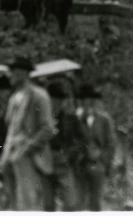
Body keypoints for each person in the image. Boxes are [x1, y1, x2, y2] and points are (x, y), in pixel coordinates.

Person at [1, 55, 56, 210]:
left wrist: (26, 149)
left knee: (28, 201)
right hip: (10, 156)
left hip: (29, 157)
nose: (9, 75)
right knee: (13, 201)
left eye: (12, 71)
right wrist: (7, 153)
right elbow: (11, 127)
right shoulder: (13, 97)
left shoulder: (39, 96)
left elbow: (48, 129)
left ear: (22, 73)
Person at [42, 80, 87, 211]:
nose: (58, 103)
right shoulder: (41, 119)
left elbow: (82, 141)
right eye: (54, 99)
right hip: (45, 162)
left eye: (60, 100)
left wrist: (70, 153)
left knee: (70, 203)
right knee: (48, 204)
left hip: (64, 163)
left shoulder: (71, 119)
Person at [77, 83, 117, 211]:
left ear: (94, 101)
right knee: (79, 201)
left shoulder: (104, 119)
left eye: (89, 99)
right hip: (80, 164)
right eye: (83, 100)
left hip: (97, 164)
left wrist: (105, 163)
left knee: (96, 202)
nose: (86, 103)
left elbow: (111, 143)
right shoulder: (76, 118)